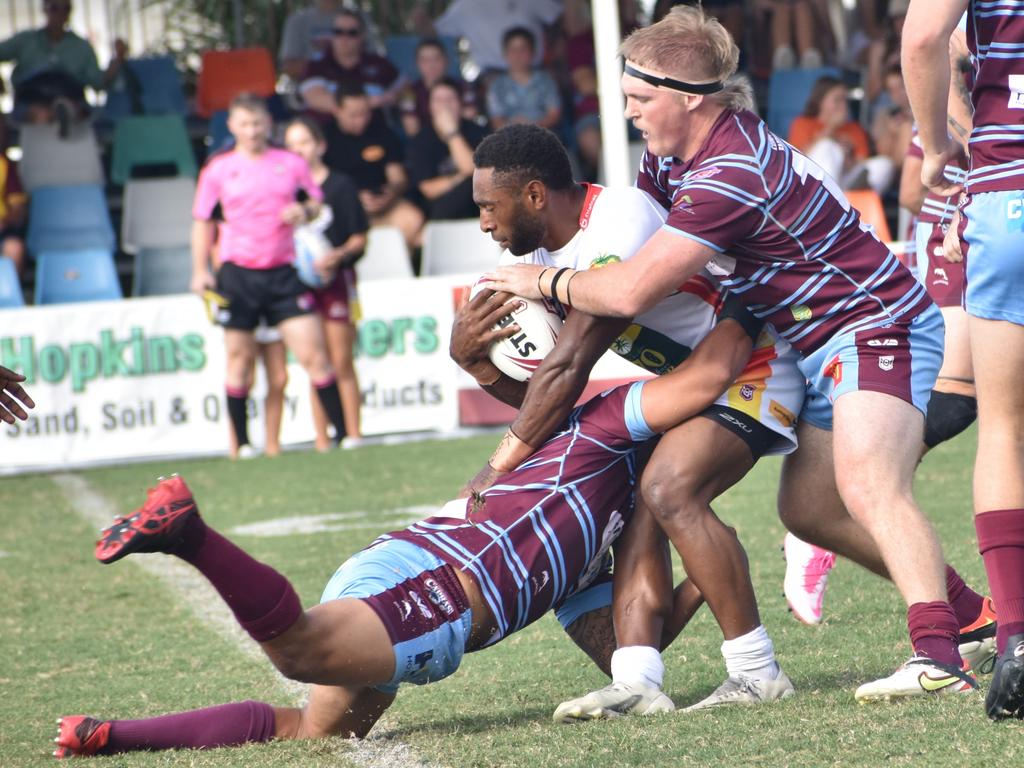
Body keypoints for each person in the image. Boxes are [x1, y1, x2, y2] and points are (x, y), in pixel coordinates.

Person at [487, 5, 977, 702]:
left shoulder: (730, 173)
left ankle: (938, 658)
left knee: (868, 484)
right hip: (806, 336)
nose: (627, 113)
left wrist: (541, 279)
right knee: (809, 511)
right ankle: (972, 616)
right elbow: (648, 250)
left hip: (870, 321)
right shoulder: (674, 154)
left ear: (689, 99)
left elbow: (631, 289)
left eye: (639, 99)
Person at [52, 307, 765, 756]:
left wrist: (711, 560)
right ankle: (189, 535)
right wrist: (752, 292)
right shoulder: (604, 422)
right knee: (299, 652)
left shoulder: (602, 533)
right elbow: (708, 377)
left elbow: (629, 648)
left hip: (411, 572)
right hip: (438, 587)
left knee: (316, 731)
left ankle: (111, 736)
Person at [454, 124, 806, 715]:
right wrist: (478, 368)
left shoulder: (620, 219)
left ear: (535, 195)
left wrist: (496, 467)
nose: (485, 223)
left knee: (668, 489)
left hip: (752, 365)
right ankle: (637, 679)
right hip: (688, 385)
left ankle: (758, 671)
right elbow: (549, 398)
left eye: (490, 206)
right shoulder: (540, 256)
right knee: (638, 511)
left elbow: (570, 364)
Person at [903, 0, 1024, 719]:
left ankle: (1015, 636)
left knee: (1005, 426)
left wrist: (936, 143)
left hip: (1009, 193)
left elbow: (923, 35)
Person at [190, 93, 349, 459]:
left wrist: (303, 211)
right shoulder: (218, 169)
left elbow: (316, 205)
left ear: (268, 125)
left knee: (314, 356)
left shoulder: (289, 163)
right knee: (238, 361)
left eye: (258, 123)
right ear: (232, 126)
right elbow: (202, 222)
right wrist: (200, 270)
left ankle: (343, 437)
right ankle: (242, 445)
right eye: (244, 124)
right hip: (237, 273)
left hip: (282, 272)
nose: (252, 131)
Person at [284, 116, 368, 450]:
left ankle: (353, 434)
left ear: (320, 145)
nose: (298, 151)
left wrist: (337, 256)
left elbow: (359, 237)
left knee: (340, 359)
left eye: (303, 142)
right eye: (290, 145)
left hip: (336, 282)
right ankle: (323, 439)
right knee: (316, 364)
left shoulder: (340, 185)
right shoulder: (286, 191)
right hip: (299, 285)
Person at [323, 82, 423, 252]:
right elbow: (319, 184)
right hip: (344, 210)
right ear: (336, 111)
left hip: (384, 205)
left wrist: (390, 193)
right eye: (353, 115)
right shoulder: (325, 139)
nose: (361, 120)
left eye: (365, 113)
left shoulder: (382, 131)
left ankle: (395, 269)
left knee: (413, 219)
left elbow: (397, 177)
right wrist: (353, 199)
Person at [0, 0, 126, 134]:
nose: (61, 13)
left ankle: (64, 113)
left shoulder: (81, 47)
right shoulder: (25, 40)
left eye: (66, 8)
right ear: (45, 9)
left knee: (71, 110)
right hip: (31, 100)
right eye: (54, 8)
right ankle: (58, 115)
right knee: (40, 115)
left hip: (71, 98)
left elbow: (99, 82)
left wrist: (118, 58)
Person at [788, 76, 894, 195]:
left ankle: (848, 204)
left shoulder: (854, 128)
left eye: (844, 100)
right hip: (813, 182)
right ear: (820, 101)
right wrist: (831, 129)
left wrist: (846, 158)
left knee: (885, 164)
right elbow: (798, 159)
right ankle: (828, 200)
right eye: (837, 99)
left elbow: (862, 163)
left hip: (845, 181)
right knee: (827, 145)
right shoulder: (802, 123)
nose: (843, 104)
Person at [406, 78, 488, 222]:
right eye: (438, 100)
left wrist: (452, 133)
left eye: (450, 100)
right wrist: (461, 177)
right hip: (439, 211)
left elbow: (477, 173)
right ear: (430, 106)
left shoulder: (478, 131)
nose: (445, 106)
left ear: (460, 104)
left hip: (477, 207)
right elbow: (429, 189)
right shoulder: (420, 140)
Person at [299, 8, 403, 118]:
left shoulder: (379, 64)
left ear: (362, 36)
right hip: (326, 130)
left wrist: (391, 96)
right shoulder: (317, 64)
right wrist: (366, 103)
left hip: (374, 130)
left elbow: (404, 87)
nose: (344, 38)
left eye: (352, 33)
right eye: (338, 32)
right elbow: (315, 98)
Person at [398, 37, 479, 139]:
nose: (432, 65)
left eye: (436, 59)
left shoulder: (464, 87)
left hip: (463, 139)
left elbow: (469, 118)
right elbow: (411, 130)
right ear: (417, 64)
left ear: (446, 60)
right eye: (425, 60)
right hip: (426, 144)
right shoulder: (409, 93)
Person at [485, 27, 561, 132]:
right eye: (513, 50)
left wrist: (533, 126)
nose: (518, 55)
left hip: (543, 136)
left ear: (533, 52)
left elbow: (554, 114)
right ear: (505, 53)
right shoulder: (497, 85)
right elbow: (496, 120)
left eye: (523, 49)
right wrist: (515, 130)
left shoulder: (545, 80)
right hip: (509, 139)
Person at [278, 0, 347, 82]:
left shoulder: (359, 18)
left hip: (356, 88)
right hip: (308, 89)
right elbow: (289, 67)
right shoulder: (297, 21)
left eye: (352, 33)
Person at [0, 119, 27, 278]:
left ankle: (8, 297)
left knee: (14, 247)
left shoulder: (4, 165)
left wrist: (5, 221)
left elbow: (18, 211)